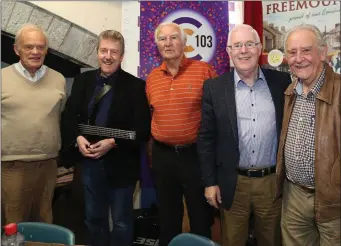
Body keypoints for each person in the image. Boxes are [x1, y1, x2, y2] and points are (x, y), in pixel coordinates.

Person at [197, 24, 291, 246]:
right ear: (229, 51)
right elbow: (206, 138)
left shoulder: (281, 83)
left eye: (249, 44)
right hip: (233, 183)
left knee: (272, 241)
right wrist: (210, 182)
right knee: (232, 241)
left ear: (259, 48)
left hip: (272, 184)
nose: (243, 50)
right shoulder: (214, 88)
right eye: (237, 45)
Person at [60, 30, 151, 246]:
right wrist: (77, 138)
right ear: (97, 52)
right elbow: (69, 116)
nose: (108, 56)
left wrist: (113, 142)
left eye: (114, 52)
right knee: (94, 219)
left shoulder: (136, 87)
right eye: (103, 50)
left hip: (122, 166)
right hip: (89, 164)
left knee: (121, 222)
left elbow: (142, 130)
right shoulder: (82, 81)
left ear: (122, 56)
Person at [146, 22, 217, 246]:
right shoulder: (152, 79)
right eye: (163, 39)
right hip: (163, 157)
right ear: (156, 44)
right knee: (168, 219)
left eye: (174, 38)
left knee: (200, 218)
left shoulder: (204, 71)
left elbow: (217, 114)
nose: (168, 43)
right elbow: (152, 115)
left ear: (184, 42)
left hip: (194, 156)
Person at [275, 24, 340, 246]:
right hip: (293, 196)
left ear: (322, 53)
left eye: (306, 50)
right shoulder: (291, 91)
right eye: (292, 52)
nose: (298, 58)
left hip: (334, 202)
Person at [1, 23, 66, 224]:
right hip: (11, 165)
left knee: (44, 219)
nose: (35, 51)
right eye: (29, 46)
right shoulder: (2, 78)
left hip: (48, 164)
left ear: (46, 50)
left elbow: (60, 115)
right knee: (14, 223)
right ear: (16, 49)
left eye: (40, 47)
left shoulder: (58, 79)